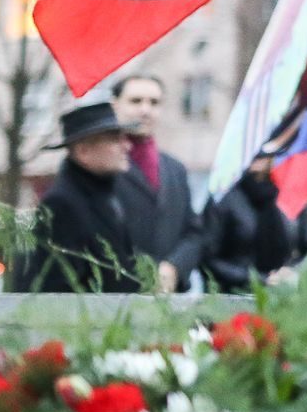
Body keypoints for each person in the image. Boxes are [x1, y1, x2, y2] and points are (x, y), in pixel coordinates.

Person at [16, 101, 141, 292]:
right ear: (83, 151)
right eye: (115, 139)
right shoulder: (61, 204)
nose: (127, 146)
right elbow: (56, 288)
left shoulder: (106, 194)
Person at [111, 74, 205, 292]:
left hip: (168, 300)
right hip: (116, 295)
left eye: (154, 102)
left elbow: (194, 232)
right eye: (135, 101)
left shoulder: (175, 170)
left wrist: (174, 267)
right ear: (115, 106)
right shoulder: (101, 167)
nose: (145, 110)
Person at [201, 154, 295, 290]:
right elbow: (208, 259)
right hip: (234, 294)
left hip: (282, 294)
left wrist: (291, 273)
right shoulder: (223, 197)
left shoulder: (287, 195)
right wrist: (259, 279)